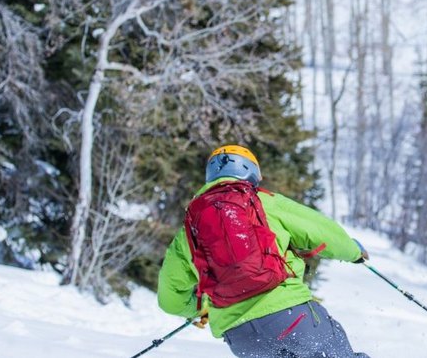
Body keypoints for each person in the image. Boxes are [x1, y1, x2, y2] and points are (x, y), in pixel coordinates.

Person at [158, 145, 371, 357]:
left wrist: (200, 309)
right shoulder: (265, 201)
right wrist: (354, 251)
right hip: (290, 315)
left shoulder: (189, 229)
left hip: (241, 336)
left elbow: (170, 298)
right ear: (251, 171)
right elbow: (322, 231)